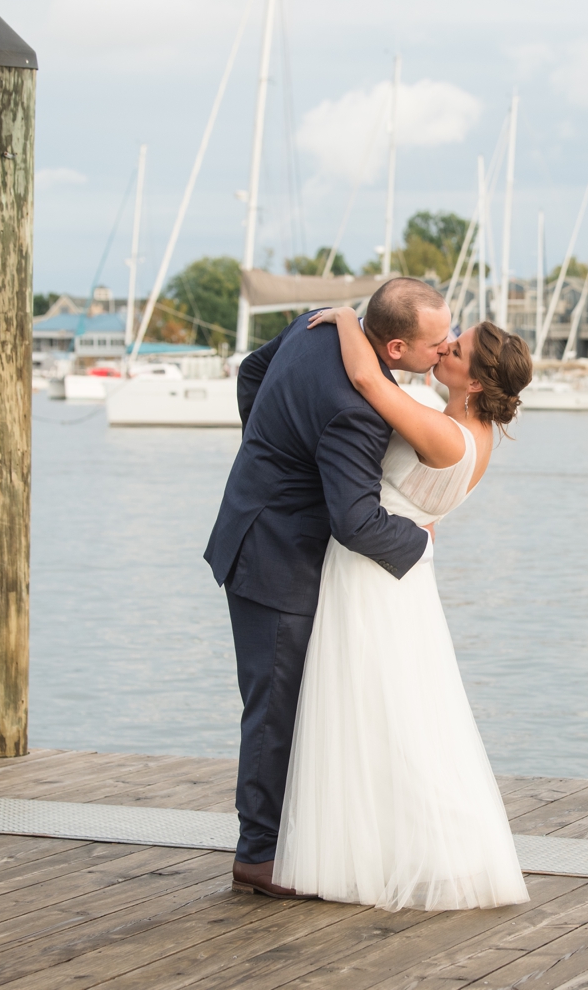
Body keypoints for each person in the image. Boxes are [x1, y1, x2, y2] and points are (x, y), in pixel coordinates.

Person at [274, 305, 534, 911]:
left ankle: (368, 856)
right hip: (398, 573)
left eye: (457, 350)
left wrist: (344, 319)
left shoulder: (447, 433)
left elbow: (368, 382)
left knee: (371, 710)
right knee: (388, 712)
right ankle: (373, 849)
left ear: (474, 382)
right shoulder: (470, 430)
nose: (443, 348)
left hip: (374, 577)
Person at [204, 277, 450, 898]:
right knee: (274, 709)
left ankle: (292, 837)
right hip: (276, 559)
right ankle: (258, 856)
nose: (442, 352)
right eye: (434, 343)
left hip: (251, 523)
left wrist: (266, 453)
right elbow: (356, 521)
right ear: (394, 349)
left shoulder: (317, 323)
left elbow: (249, 373)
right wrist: (422, 543)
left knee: (285, 700)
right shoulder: (359, 410)